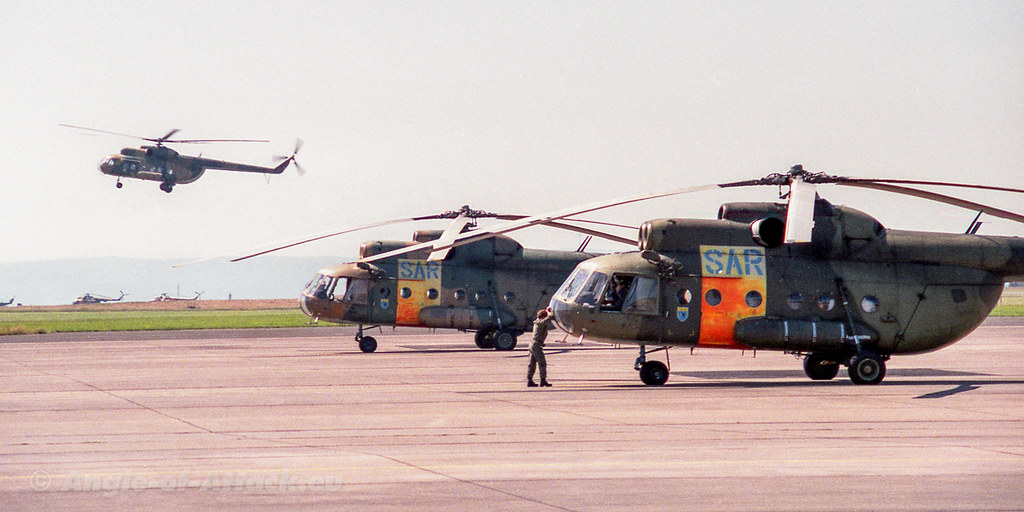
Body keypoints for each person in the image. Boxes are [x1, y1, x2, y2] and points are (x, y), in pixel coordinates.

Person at [527, 308, 555, 387]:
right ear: (543, 316)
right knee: (542, 363)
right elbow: (546, 320)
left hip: (533, 345)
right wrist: (552, 314)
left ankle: (529, 380)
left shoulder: (537, 322)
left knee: (532, 364)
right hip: (536, 345)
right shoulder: (539, 322)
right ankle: (543, 380)